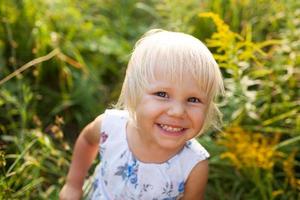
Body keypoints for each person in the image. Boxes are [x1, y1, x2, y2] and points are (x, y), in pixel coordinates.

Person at [59, 29, 224, 200]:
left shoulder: (194, 164)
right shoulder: (110, 127)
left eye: (193, 99)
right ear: (133, 94)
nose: (177, 111)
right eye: (162, 94)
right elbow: (87, 140)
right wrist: (73, 184)